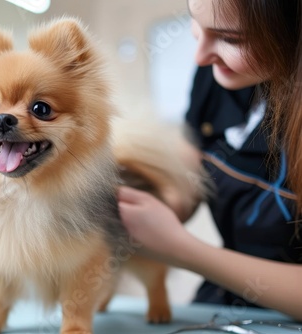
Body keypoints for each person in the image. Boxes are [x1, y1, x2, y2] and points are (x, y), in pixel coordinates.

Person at [118, 0, 302, 321]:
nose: (200, 56)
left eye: (231, 39)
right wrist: (152, 207)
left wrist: (180, 248)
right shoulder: (216, 76)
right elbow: (190, 179)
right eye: (195, 23)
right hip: (220, 303)